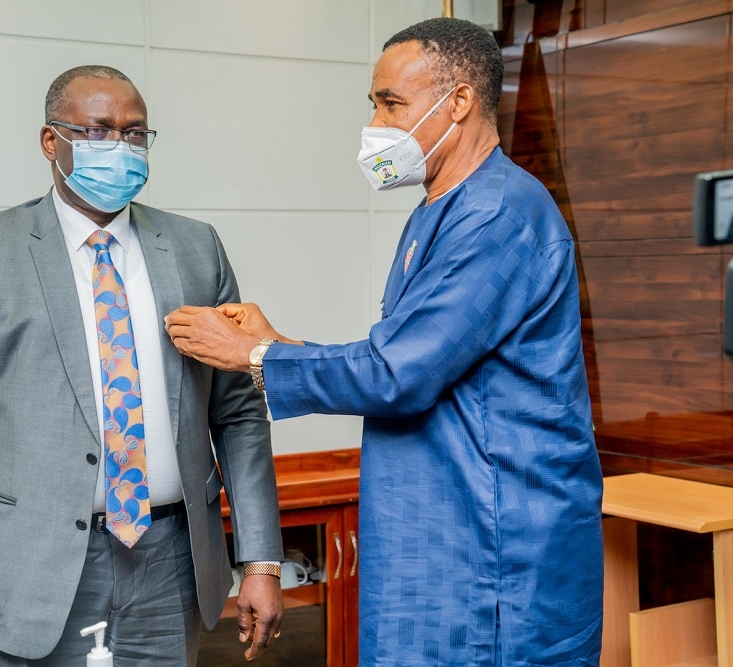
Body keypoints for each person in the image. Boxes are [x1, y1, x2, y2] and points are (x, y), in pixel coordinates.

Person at [165, 18, 603, 667]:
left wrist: (254, 356)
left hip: (495, 554)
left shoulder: (498, 215)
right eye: (374, 102)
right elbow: (410, 352)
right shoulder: (438, 212)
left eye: (390, 102)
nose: (375, 122)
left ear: (458, 102)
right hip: (440, 541)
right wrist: (277, 340)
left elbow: (402, 372)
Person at [0, 65, 283, 667]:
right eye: (99, 131)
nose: (121, 148)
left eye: (136, 134)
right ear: (50, 141)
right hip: (31, 568)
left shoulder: (195, 247)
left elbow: (238, 415)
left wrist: (261, 561)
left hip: (170, 564)